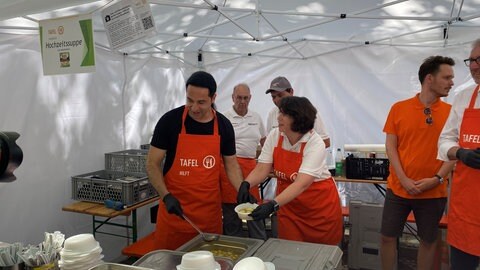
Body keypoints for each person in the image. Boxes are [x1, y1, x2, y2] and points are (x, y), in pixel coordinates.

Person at [147, 71, 244, 250]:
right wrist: (165, 195)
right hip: (174, 215)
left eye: (201, 102)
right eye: (189, 100)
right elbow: (152, 164)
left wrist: (241, 188)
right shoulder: (169, 121)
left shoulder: (223, 126)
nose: (194, 108)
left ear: (213, 97)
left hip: (209, 217)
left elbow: (231, 165)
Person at [381, 55, 456, 270]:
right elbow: (391, 146)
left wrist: (436, 178)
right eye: (447, 77)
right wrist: (403, 179)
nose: (451, 82)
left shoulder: (452, 113)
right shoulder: (399, 108)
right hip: (397, 188)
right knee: (387, 237)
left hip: (433, 191)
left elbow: (454, 152)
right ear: (429, 79)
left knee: (428, 241)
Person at [237, 96, 343, 245]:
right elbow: (262, 168)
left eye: (284, 114)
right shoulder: (275, 135)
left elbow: (301, 184)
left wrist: (272, 204)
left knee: (320, 257)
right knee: (289, 251)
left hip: (318, 209)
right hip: (288, 206)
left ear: (298, 118)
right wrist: (246, 183)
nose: (278, 117)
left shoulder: (315, 142)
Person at [438, 39, 480, 270]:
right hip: (467, 208)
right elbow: (444, 140)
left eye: (479, 60)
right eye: (471, 61)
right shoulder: (464, 98)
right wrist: (460, 153)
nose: (473, 66)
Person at [220, 83, 267, 238]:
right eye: (239, 97)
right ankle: (234, 250)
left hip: (251, 170)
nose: (242, 101)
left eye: (245, 98)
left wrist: (268, 163)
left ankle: (259, 249)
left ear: (250, 98)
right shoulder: (224, 118)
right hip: (229, 168)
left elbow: (265, 143)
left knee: (254, 212)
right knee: (231, 216)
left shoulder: (256, 117)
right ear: (233, 98)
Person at [265, 76, 330, 148]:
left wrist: (300, 150)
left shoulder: (306, 110)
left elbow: (325, 142)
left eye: (280, 95)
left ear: (291, 92)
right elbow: (269, 143)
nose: (277, 100)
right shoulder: (272, 113)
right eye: (273, 97)